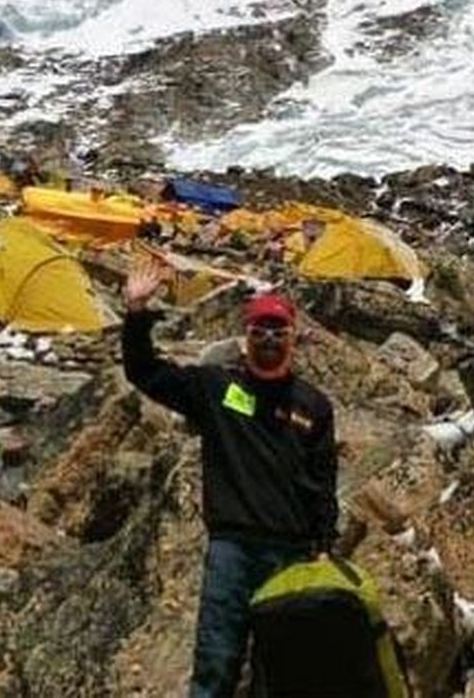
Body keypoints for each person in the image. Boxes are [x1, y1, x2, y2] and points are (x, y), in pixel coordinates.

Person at [121, 257, 338, 698]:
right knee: (216, 661)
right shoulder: (216, 390)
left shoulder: (313, 406)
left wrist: (324, 547)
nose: (270, 339)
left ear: (294, 337)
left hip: (291, 554)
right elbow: (145, 372)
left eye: (278, 331)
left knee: (281, 672)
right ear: (246, 338)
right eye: (260, 330)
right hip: (232, 551)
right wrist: (136, 313)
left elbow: (323, 480)